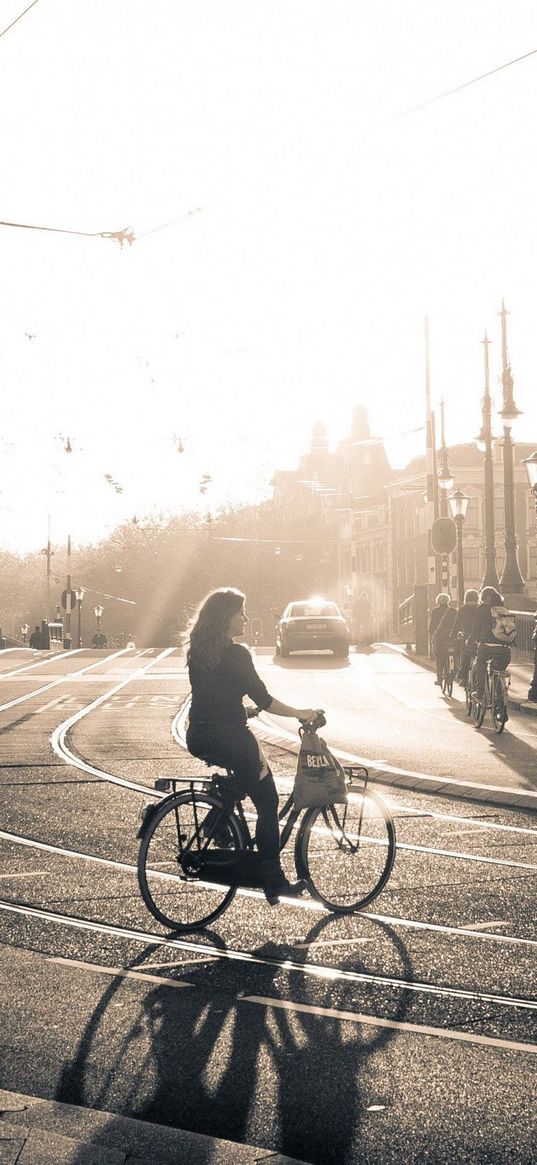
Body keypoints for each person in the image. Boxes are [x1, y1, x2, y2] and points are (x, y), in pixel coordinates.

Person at [186, 588, 323, 905]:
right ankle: (273, 879)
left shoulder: (199, 649)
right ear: (226, 618)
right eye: (241, 613)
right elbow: (265, 700)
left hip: (199, 735)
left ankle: (218, 822)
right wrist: (301, 713)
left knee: (244, 783)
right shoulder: (236, 653)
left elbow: (212, 695)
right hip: (230, 736)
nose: (245, 618)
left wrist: (239, 709)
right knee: (267, 801)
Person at [470, 586, 515, 705]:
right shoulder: (503, 609)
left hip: (487, 645)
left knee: (481, 662)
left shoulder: (481, 608)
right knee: (498, 671)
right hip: (505, 648)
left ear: (483, 598)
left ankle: (479, 693)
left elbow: (475, 629)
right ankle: (500, 704)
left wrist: (470, 641)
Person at [451, 588, 479, 686]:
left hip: (467, 637)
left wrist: (453, 634)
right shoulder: (479, 608)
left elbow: (456, 623)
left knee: (464, 655)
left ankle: (463, 677)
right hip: (479, 637)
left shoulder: (463, 609)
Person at [428, 593, 457, 685]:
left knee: (439, 658)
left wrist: (431, 635)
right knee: (454, 655)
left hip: (440, 638)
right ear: (448, 600)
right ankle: (452, 674)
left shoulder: (435, 611)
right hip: (452, 637)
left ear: (438, 601)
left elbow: (432, 626)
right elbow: (457, 624)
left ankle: (439, 679)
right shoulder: (453, 611)